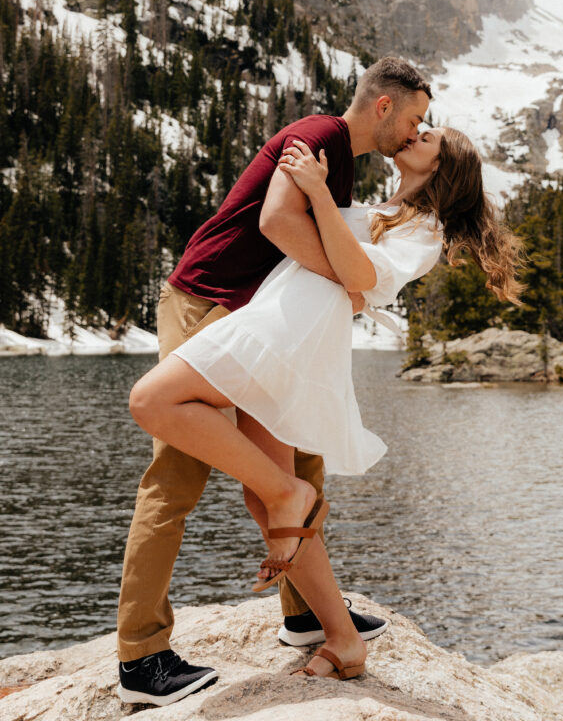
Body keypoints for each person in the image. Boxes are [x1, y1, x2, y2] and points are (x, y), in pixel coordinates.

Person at [126, 124, 524, 687]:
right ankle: (341, 638)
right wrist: (341, 252)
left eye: (429, 134)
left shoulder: (426, 231)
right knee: (264, 498)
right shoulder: (384, 210)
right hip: (280, 323)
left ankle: (294, 499)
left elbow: (359, 275)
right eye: (418, 124)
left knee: (153, 400)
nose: (417, 132)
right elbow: (345, 273)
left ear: (445, 165)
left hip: (287, 334)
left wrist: (316, 193)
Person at [116, 56, 432, 707]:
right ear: (385, 106)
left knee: (301, 454)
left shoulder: (339, 162)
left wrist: (352, 285)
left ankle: (305, 615)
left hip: (250, 315)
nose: (417, 130)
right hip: (206, 300)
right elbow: (277, 224)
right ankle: (141, 656)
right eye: (417, 118)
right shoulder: (318, 136)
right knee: (177, 472)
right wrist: (352, 285)